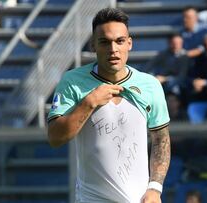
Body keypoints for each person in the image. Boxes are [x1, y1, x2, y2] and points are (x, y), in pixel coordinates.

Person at [47, 8, 171, 203]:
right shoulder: (72, 81)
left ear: (129, 43)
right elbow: (55, 138)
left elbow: (161, 140)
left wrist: (155, 188)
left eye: (120, 41)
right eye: (105, 42)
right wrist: (89, 102)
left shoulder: (150, 85)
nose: (113, 49)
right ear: (93, 45)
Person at [144, 33, 192, 104]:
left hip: (176, 86)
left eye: (179, 43)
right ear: (169, 43)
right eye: (174, 43)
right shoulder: (163, 54)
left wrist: (165, 79)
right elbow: (148, 66)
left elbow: (182, 77)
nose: (176, 46)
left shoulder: (185, 57)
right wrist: (153, 78)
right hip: (161, 83)